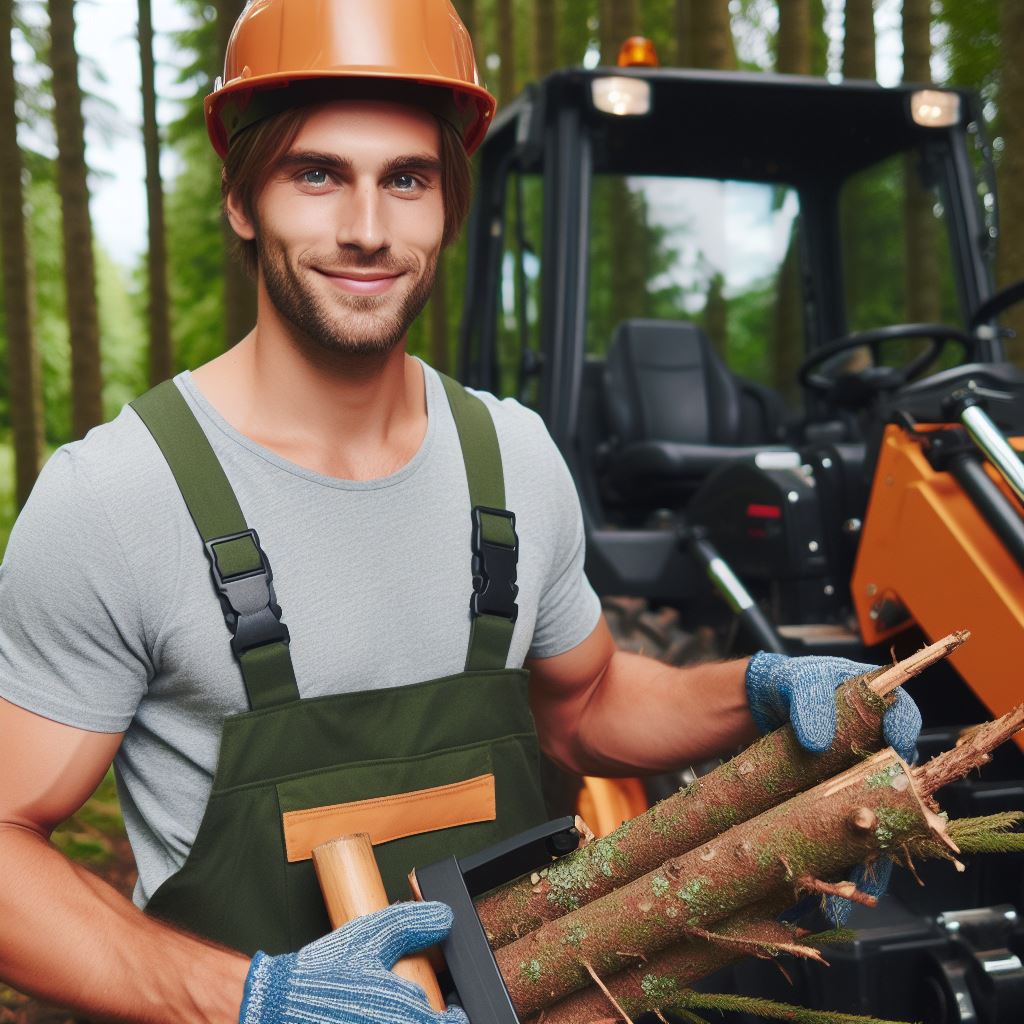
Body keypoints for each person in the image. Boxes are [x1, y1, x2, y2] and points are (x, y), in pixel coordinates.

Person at [0, 2, 921, 1023]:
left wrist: (754, 695)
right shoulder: (119, 496)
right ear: (241, 198)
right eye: (317, 174)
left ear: (447, 206)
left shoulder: (513, 458)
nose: (366, 226)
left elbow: (582, 704)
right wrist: (247, 998)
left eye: (407, 179)